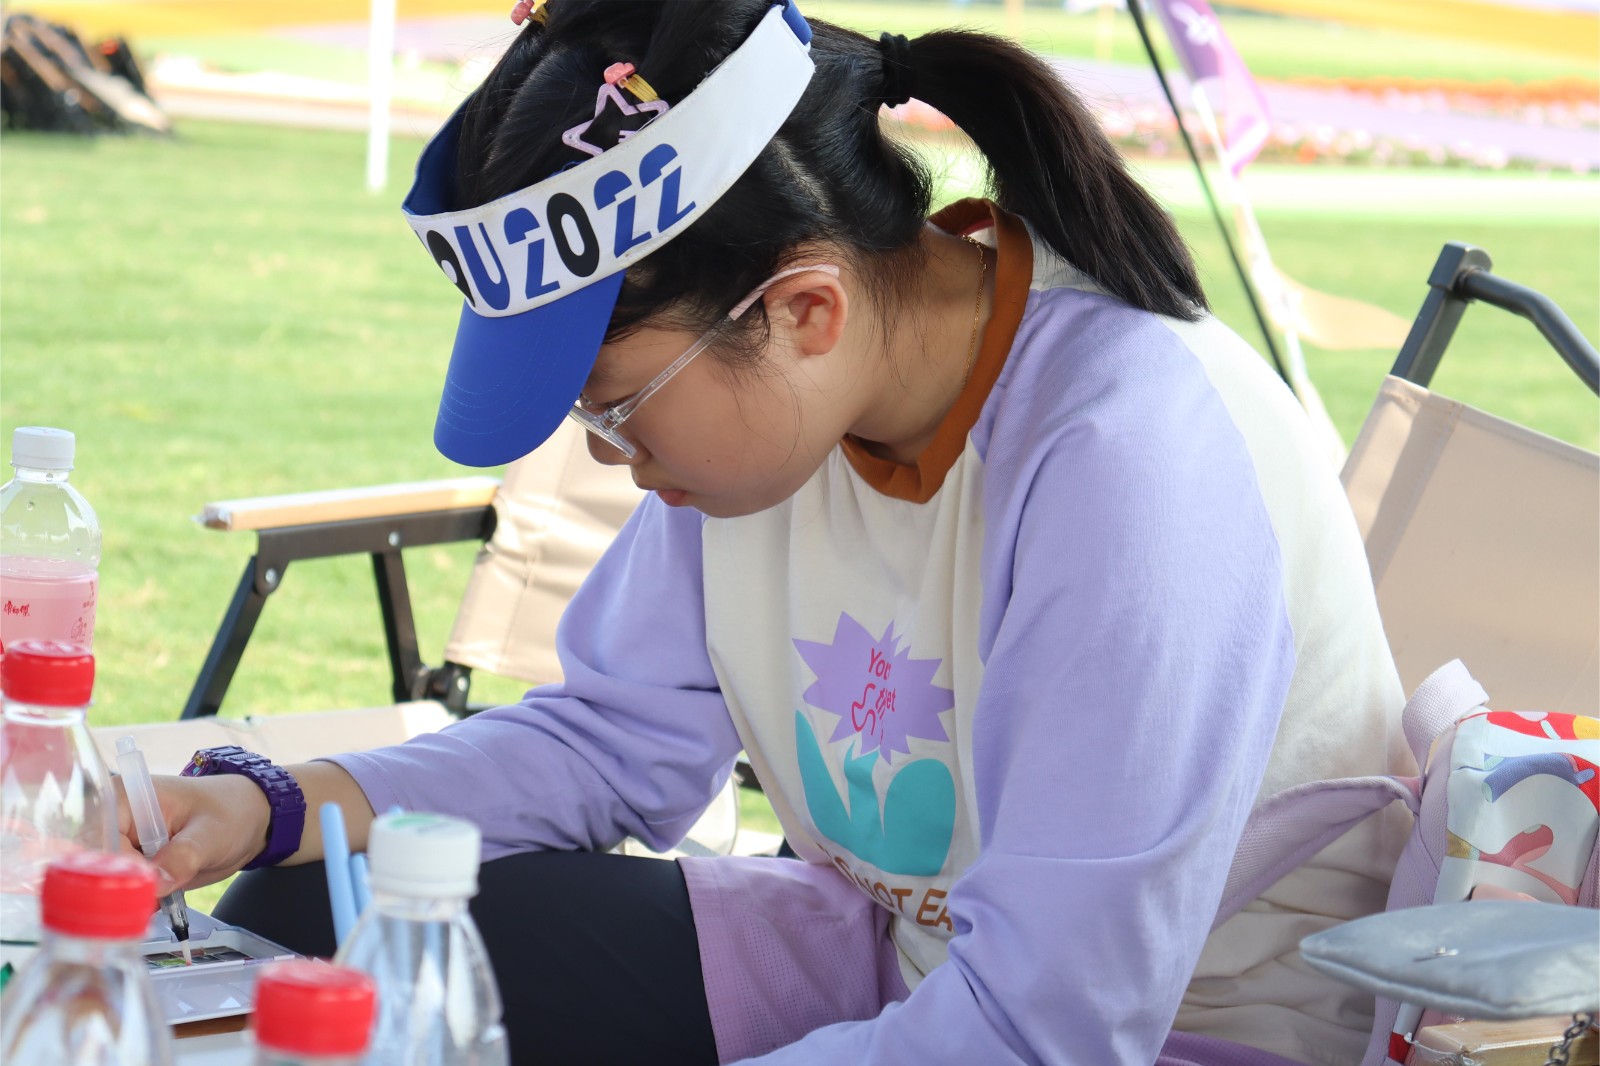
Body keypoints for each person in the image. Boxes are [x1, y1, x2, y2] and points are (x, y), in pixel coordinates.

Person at [122, 2, 1413, 1063]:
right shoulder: (790, 418)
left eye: (615, 407)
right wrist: (272, 803)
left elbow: (1047, 1028)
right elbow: (615, 738)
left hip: (1177, 1032)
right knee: (309, 897)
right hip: (895, 959)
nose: (605, 456)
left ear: (802, 310)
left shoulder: (1131, 462)